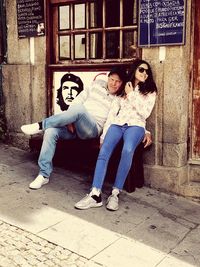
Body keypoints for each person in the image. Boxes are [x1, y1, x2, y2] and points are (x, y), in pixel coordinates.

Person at [75, 59, 157, 211]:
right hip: (117, 124)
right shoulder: (125, 87)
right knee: (104, 150)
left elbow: (145, 113)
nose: (144, 73)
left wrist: (131, 95)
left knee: (127, 150)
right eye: (141, 70)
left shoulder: (150, 91)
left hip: (136, 126)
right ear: (134, 70)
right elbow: (113, 114)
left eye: (147, 71)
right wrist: (103, 136)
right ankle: (95, 194)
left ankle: (115, 193)